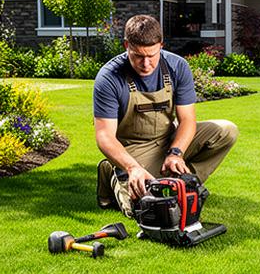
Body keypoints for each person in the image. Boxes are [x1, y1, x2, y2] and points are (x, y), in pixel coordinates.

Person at [94, 14, 238, 217]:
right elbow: (104, 136)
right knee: (140, 209)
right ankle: (111, 170)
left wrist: (176, 153)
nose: (146, 64)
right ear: (126, 45)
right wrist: (132, 167)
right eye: (138, 56)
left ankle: (178, 186)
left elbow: (187, 119)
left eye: (151, 56)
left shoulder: (177, 67)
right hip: (133, 149)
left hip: (167, 140)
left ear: (161, 45)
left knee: (226, 131)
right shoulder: (109, 77)